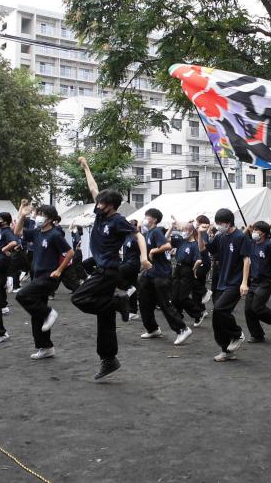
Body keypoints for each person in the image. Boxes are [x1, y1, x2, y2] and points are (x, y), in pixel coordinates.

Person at [71, 156, 150, 380]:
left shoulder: (118, 220)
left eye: (102, 203)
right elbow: (93, 187)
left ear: (111, 205)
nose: (98, 204)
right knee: (104, 316)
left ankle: (119, 301)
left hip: (108, 271)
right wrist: (86, 167)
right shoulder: (99, 214)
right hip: (102, 269)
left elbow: (138, 236)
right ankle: (109, 359)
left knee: (79, 298)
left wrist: (144, 258)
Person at [15, 204, 73, 359]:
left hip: (49, 277)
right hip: (37, 275)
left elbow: (70, 252)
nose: (38, 216)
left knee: (21, 295)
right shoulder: (36, 232)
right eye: (37, 213)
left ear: (50, 219)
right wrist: (22, 215)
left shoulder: (55, 234)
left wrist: (59, 270)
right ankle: (45, 347)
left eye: (41, 214)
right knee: (36, 316)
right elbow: (18, 232)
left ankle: (49, 312)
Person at [198, 208, 251, 362]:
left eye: (220, 223)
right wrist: (201, 233)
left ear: (228, 223)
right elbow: (203, 248)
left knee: (221, 309)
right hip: (222, 281)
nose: (218, 226)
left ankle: (237, 334)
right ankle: (226, 350)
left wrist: (244, 283)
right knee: (217, 316)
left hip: (235, 282)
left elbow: (246, 259)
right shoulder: (221, 237)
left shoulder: (240, 237)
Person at [137, 209, 193, 345]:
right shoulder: (147, 233)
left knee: (164, 303)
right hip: (149, 273)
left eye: (147, 217)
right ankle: (152, 329)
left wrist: (154, 250)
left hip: (161, 274)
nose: (144, 219)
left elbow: (167, 245)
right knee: (144, 301)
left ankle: (182, 329)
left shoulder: (156, 231)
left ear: (154, 219)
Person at [241, 221, 271, 343]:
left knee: (257, 307)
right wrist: (247, 229)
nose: (254, 232)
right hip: (254, 281)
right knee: (248, 310)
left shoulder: (269, 245)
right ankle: (257, 335)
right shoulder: (252, 244)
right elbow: (241, 239)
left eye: (256, 230)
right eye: (253, 230)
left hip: (265, 281)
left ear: (264, 233)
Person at [169, 220, 205, 328]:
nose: (183, 232)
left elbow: (198, 259)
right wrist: (172, 227)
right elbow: (166, 238)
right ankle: (179, 316)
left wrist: (195, 268)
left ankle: (198, 313)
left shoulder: (194, 245)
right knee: (174, 297)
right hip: (178, 268)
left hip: (187, 270)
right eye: (183, 230)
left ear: (191, 231)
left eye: (185, 230)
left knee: (183, 298)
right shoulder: (181, 241)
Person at [120, 219, 141, 319]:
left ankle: (129, 287)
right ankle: (133, 311)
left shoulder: (138, 237)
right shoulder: (126, 236)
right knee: (132, 286)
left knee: (116, 273)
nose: (131, 227)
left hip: (133, 264)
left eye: (134, 225)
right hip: (126, 262)